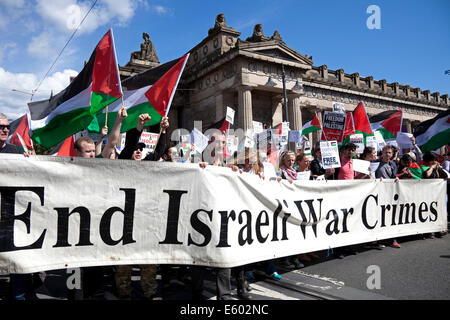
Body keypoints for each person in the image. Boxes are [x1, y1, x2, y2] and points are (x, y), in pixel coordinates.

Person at [114, 113, 169, 300]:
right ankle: (123, 292)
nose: (138, 151)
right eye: (136, 149)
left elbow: (159, 150)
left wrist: (163, 130)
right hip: (125, 221)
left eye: (141, 149)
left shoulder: (149, 164)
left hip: (146, 221)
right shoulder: (123, 163)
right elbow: (130, 144)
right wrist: (138, 126)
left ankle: (150, 292)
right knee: (124, 262)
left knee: (148, 261)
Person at [193, 130, 238, 300]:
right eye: (217, 142)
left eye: (224, 143)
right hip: (200, 219)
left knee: (223, 258)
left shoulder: (227, 166)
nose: (221, 146)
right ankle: (197, 295)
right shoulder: (197, 161)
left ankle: (224, 296)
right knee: (199, 259)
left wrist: (235, 173)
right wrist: (198, 170)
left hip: (221, 219)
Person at [0, 113, 38, 300]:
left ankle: (19, 295)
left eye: (7, 127)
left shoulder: (16, 152)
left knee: (18, 260)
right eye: (1, 127)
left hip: (12, 217)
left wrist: (31, 161)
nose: (5, 130)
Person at [375, 145, 401, 248]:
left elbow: (394, 176)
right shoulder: (376, 163)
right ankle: (379, 239)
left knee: (391, 215)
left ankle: (393, 239)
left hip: (390, 193)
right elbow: (371, 174)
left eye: (389, 153)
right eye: (386, 152)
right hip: (378, 193)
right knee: (379, 216)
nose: (387, 154)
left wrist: (396, 179)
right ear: (382, 152)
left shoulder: (393, 164)